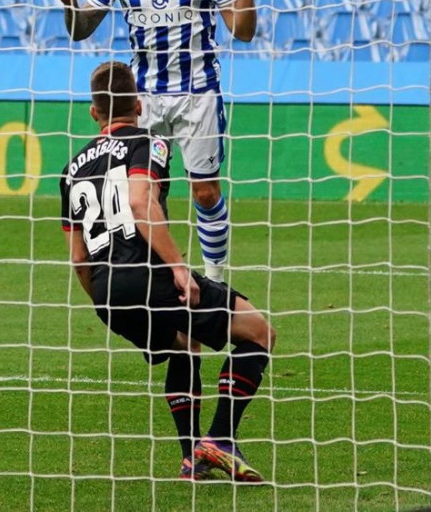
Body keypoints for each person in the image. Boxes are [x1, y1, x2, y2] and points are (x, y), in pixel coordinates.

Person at [60, 60, 277, 482]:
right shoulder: (149, 143)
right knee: (259, 332)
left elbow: (78, 259)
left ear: (93, 112)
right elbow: (142, 202)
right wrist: (179, 268)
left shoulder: (72, 168)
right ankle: (219, 439)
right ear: (138, 106)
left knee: (183, 343)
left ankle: (190, 459)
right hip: (148, 277)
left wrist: (104, 302)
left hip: (105, 292)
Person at [55, 0, 264, 282]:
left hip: (198, 93)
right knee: (144, 194)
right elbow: (81, 30)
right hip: (144, 100)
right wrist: (71, 4)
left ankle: (215, 280)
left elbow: (244, 32)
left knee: (205, 192)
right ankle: (161, 276)